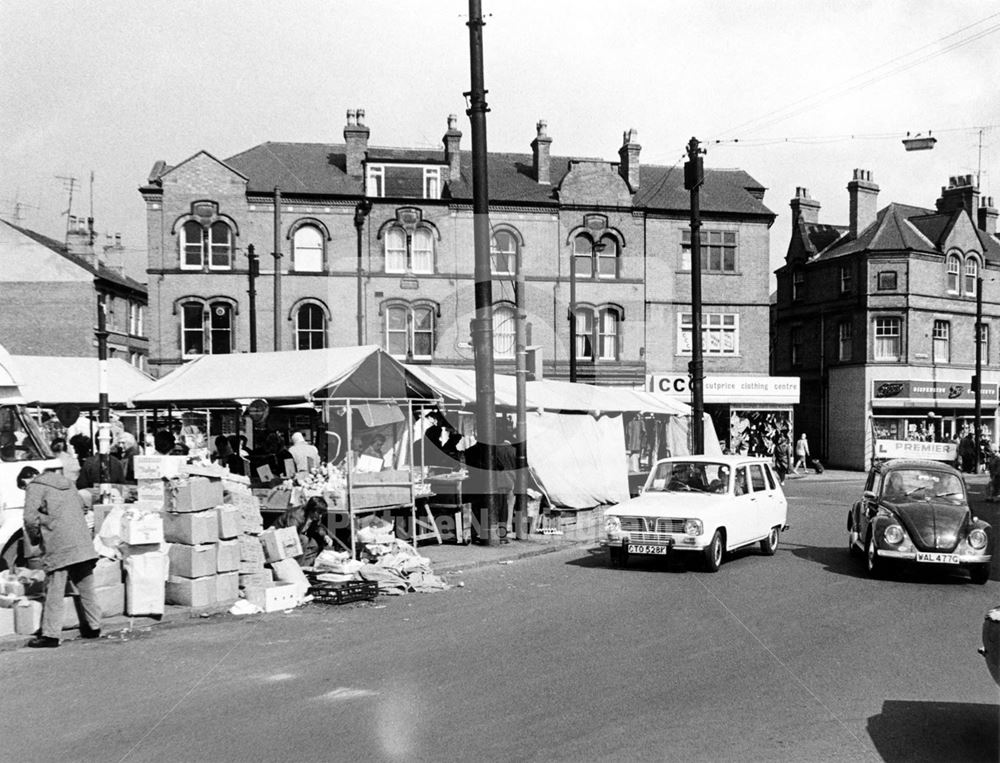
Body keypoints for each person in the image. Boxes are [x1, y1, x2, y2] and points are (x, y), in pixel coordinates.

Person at [20, 466, 101, 647]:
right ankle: (94, 626)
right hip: (82, 541)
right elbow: (83, 506)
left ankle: (50, 635)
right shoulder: (69, 484)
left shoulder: (35, 486)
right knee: (86, 585)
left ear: (27, 480)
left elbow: (29, 518)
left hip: (59, 543)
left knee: (54, 588)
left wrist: (35, 538)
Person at [273, 495, 335, 566]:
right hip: (279, 538)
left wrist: (325, 536)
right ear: (312, 509)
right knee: (303, 539)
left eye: (321, 514)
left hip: (294, 537)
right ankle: (295, 567)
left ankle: (304, 567)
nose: (320, 516)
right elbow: (289, 534)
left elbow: (318, 527)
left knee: (314, 545)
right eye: (319, 513)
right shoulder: (296, 515)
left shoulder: (315, 517)